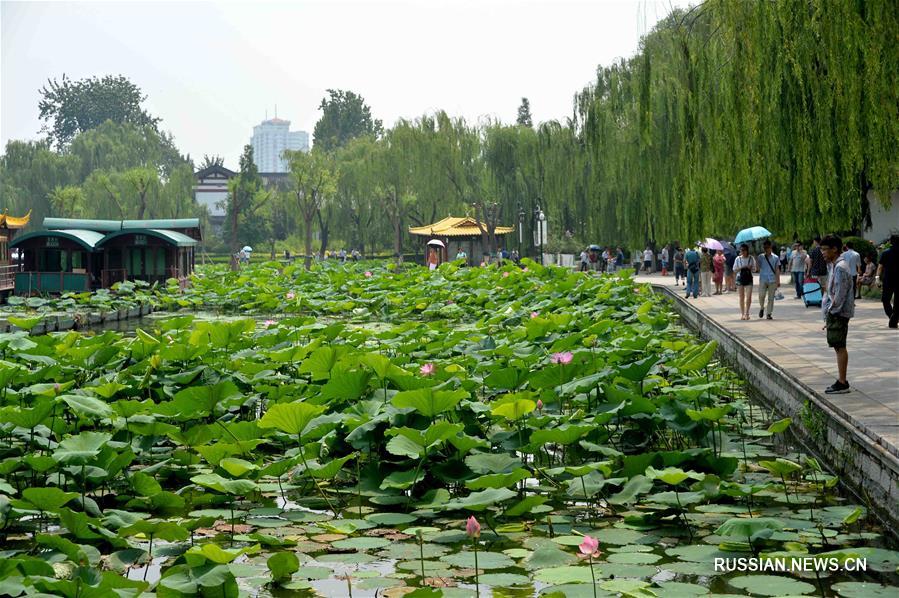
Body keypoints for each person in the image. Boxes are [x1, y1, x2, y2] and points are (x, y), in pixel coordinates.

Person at [820, 234, 855, 394]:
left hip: (839, 313)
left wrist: (832, 312)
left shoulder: (840, 267)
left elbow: (840, 294)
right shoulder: (834, 265)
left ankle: (842, 382)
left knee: (839, 345)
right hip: (836, 312)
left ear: (835, 249)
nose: (823, 253)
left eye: (825, 249)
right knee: (837, 345)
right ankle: (841, 380)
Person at [876, 234, 898, 328]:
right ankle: (894, 317)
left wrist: (877, 278)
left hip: (888, 279)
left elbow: (880, 267)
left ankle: (891, 316)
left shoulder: (886, 253)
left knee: (885, 300)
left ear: (890, 242)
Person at [756, 240, 780, 319]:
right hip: (763, 279)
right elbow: (757, 268)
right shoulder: (760, 257)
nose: (766, 249)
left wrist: (778, 280)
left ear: (770, 247)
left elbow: (777, 269)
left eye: (767, 247)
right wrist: (756, 262)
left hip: (772, 280)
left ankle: (769, 313)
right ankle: (762, 307)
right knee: (761, 295)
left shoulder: (775, 257)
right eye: (764, 248)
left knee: (771, 298)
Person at [733, 244, 756, 320]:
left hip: (749, 278)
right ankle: (742, 314)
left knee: (749, 296)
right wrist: (742, 267)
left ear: (747, 250)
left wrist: (750, 267)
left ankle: (747, 313)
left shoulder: (751, 258)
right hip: (740, 278)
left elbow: (755, 269)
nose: (742, 251)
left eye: (744, 250)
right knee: (741, 297)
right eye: (741, 250)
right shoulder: (738, 259)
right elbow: (734, 269)